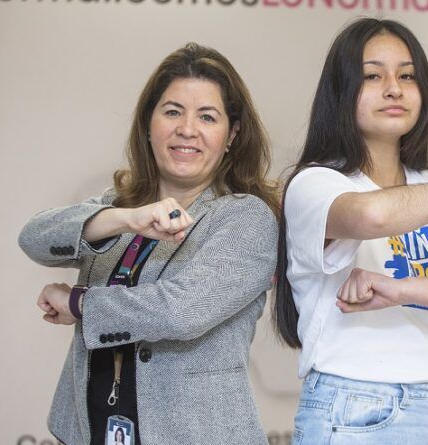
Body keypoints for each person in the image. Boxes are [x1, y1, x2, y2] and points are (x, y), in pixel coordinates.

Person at [274, 18, 428, 444]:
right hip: (353, 405)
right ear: (341, 91)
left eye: (407, 76)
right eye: (373, 76)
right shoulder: (315, 184)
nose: (394, 89)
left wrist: (400, 289)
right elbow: (371, 215)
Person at [19, 43, 278, 445]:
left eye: (207, 116)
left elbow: (179, 311)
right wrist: (124, 217)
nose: (187, 129)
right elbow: (34, 237)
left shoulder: (246, 217)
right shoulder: (121, 206)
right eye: (172, 112)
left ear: (232, 134)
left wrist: (78, 303)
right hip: (89, 432)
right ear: (147, 123)